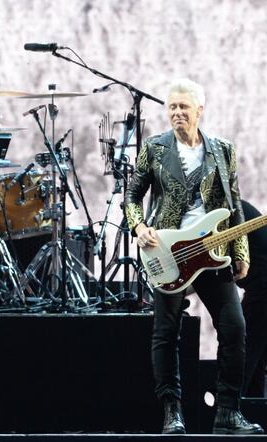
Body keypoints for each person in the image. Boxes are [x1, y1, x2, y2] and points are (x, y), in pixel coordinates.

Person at [125, 78, 262, 434]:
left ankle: (228, 412)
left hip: (213, 254)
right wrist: (139, 227)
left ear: (199, 111)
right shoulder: (154, 148)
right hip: (168, 251)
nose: (176, 113)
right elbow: (132, 196)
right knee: (166, 332)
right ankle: (172, 411)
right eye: (172, 107)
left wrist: (240, 251)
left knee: (234, 328)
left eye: (183, 107)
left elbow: (233, 206)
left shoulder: (223, 150)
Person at [238, 200, 267, 397]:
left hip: (262, 287)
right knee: (256, 357)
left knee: (243, 351)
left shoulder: (225, 215)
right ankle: (252, 410)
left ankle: (235, 410)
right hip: (260, 287)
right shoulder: (239, 207)